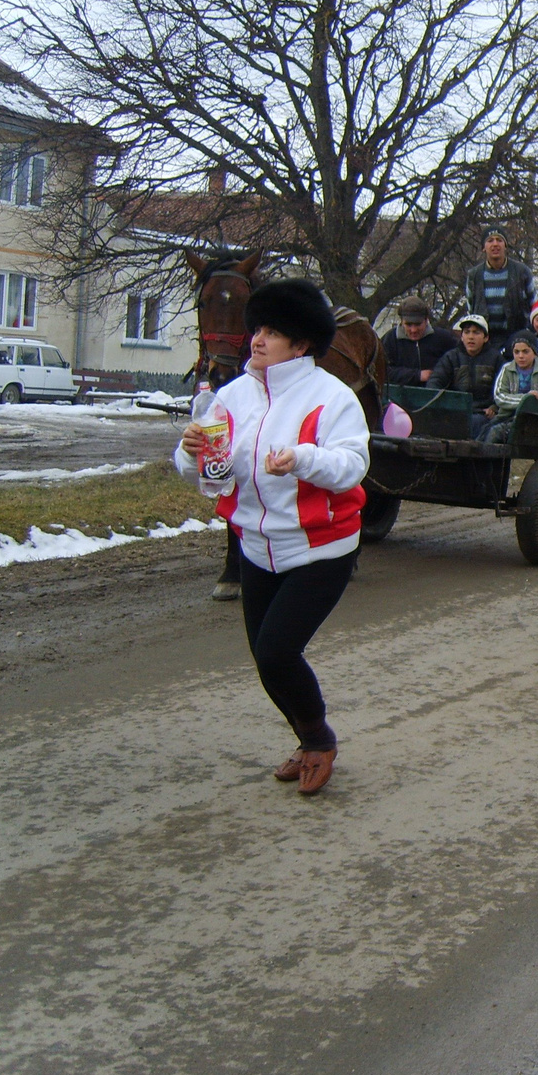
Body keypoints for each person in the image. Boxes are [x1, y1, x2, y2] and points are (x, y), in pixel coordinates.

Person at [174, 278, 370, 796]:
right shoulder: (231, 397)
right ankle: (307, 740)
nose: (257, 340)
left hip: (320, 549)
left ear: (301, 343)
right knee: (266, 660)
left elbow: (352, 465)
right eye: (256, 329)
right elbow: (211, 478)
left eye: (273, 332)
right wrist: (190, 453)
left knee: (278, 653)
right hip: (255, 548)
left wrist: (302, 459)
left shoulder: (332, 397)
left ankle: (320, 741)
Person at [464, 225, 537, 363]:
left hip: (515, 338)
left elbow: (534, 308)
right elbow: (471, 309)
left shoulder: (522, 272)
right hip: (485, 340)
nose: (495, 244)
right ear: (483, 247)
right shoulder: (474, 275)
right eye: (490, 240)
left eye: (499, 240)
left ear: (505, 245)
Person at [427, 313, 499, 438]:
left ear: (486, 337)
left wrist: (494, 407)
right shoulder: (451, 357)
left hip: (483, 415)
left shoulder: (496, 359)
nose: (471, 337)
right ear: (461, 336)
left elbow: (503, 388)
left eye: (476, 332)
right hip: (455, 411)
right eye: (467, 332)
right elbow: (435, 382)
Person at [485, 331, 538, 442]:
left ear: (534, 352)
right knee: (489, 432)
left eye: (525, 352)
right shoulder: (507, 369)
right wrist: (527, 400)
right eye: (516, 352)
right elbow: (500, 396)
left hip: (537, 418)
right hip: (507, 417)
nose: (520, 356)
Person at [380, 295, 457, 387]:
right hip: (398, 396)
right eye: (408, 325)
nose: (413, 330)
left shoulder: (444, 339)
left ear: (426, 320)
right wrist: (417, 375)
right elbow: (382, 371)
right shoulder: (389, 340)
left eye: (418, 324)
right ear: (401, 321)